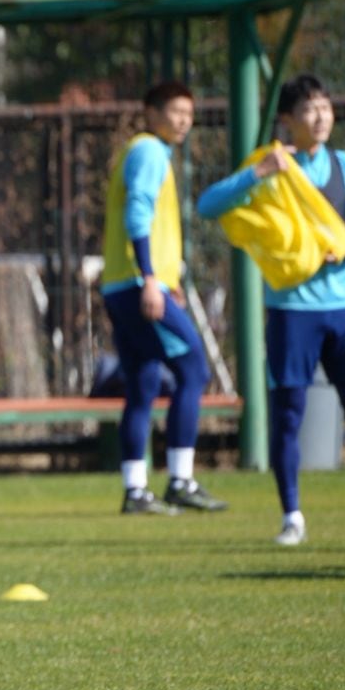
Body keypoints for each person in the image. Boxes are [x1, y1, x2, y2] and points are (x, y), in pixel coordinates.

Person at [197, 74, 345, 545]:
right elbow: (209, 205)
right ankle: (291, 515)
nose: (320, 118)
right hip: (291, 312)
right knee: (288, 414)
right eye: (309, 110)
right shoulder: (270, 169)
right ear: (287, 120)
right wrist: (257, 174)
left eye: (326, 107)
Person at [100, 81, 228, 516]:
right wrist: (151, 277)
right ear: (151, 112)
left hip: (122, 284)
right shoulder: (151, 152)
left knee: (144, 384)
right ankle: (180, 480)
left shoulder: (144, 152)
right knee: (193, 370)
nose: (183, 121)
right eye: (174, 111)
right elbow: (139, 210)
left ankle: (135, 490)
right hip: (139, 285)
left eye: (188, 113)